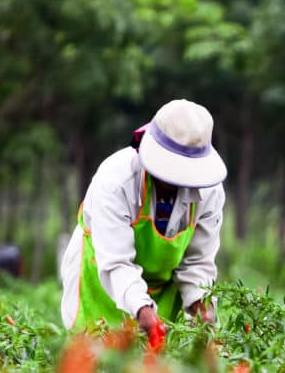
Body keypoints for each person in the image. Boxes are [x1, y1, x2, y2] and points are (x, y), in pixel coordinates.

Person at [60, 99, 227, 338]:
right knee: (92, 360)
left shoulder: (209, 191)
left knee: (154, 370)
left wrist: (204, 309)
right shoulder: (117, 180)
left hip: (163, 289)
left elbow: (197, 264)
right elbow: (117, 263)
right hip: (101, 281)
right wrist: (143, 311)